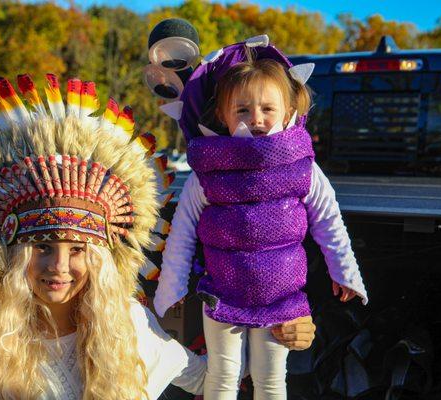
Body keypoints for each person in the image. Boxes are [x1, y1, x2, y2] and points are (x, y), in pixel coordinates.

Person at [0, 74, 316, 399]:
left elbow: (212, 377)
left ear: (99, 256)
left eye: (77, 249)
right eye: (42, 247)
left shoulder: (130, 327)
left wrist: (281, 325)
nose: (58, 266)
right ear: (13, 253)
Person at [153, 36, 368, 399]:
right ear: (222, 115)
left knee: (270, 381)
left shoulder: (304, 169)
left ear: (288, 112)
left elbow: (329, 222)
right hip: (222, 292)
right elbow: (183, 232)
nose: (256, 118)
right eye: (242, 110)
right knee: (222, 378)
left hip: (280, 296)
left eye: (267, 109)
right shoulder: (208, 172)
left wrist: (345, 273)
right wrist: (170, 290)